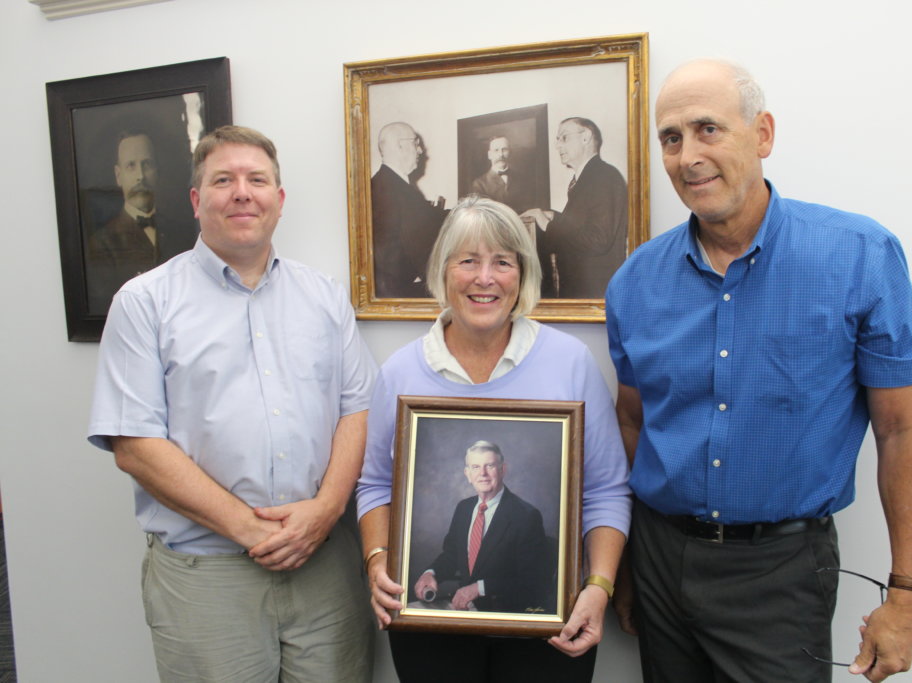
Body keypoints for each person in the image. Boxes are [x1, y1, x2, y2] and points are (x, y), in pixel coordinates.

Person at [606, 59, 912, 683]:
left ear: (762, 134)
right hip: (659, 562)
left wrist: (907, 593)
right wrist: (625, 564)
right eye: (671, 138)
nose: (688, 156)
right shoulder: (633, 283)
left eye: (708, 129)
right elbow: (632, 421)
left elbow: (903, 431)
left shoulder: (859, 256)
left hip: (782, 573)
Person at [87, 125, 377, 682]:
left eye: (257, 180)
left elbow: (357, 409)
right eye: (224, 180)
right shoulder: (145, 303)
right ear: (197, 200)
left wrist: (324, 511)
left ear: (279, 199)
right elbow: (135, 445)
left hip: (324, 568)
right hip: (208, 579)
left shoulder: (323, 296)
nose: (243, 193)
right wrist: (251, 530)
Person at [357, 195, 632, 682]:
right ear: (443, 272)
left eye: (503, 262)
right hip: (432, 631)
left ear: (522, 276)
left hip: (548, 629)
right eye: (468, 261)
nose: (485, 278)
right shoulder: (400, 372)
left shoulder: (570, 363)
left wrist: (599, 586)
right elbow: (377, 484)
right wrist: (379, 561)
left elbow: (606, 490)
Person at [412, 440, 552, 613]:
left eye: (490, 466)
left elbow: (533, 580)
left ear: (502, 470)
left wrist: (480, 588)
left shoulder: (525, 516)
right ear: (468, 474)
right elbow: (451, 556)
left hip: (500, 610)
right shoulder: (464, 508)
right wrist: (431, 573)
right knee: (408, 613)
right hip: (462, 605)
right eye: (476, 467)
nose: (483, 473)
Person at [85, 130, 194, 312]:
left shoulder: (182, 232)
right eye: (131, 166)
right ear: (118, 176)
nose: (140, 176)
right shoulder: (102, 242)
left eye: (147, 164)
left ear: (157, 171)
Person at [521, 117, 627, 299]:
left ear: (585, 137)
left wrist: (548, 225)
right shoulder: (589, 177)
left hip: (593, 296)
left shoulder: (604, 177)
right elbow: (582, 227)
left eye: (564, 138)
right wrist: (554, 216)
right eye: (557, 140)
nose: (557, 146)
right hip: (583, 293)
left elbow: (597, 239)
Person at [371, 121, 448, 298]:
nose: (420, 150)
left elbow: (423, 219)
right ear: (400, 146)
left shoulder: (391, 184)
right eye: (415, 143)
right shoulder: (386, 188)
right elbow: (388, 256)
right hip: (402, 292)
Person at [470, 135, 529, 213]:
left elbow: (528, 208)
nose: (500, 154)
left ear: (510, 152)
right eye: (496, 150)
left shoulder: (522, 179)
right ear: (489, 155)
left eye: (504, 150)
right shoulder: (479, 184)